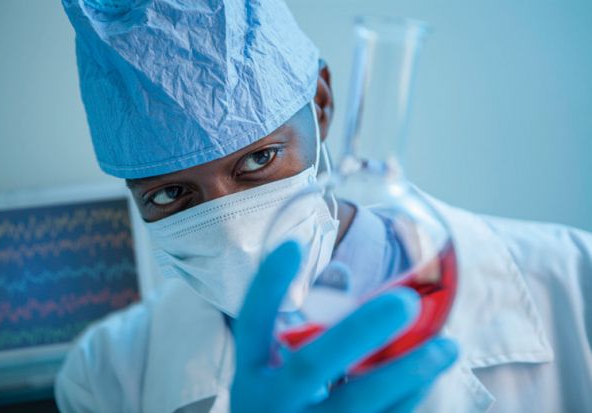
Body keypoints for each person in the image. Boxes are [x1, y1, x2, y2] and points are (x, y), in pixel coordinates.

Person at [57, 0, 592, 412]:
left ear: (322, 104)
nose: (233, 235)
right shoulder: (106, 376)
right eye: (170, 194)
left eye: (259, 159)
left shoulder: (576, 282)